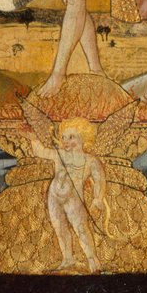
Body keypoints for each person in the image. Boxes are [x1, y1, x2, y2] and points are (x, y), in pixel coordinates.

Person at [22, 115, 108, 273]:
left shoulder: (90, 160)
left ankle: (92, 260)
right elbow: (40, 152)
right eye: (63, 137)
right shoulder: (59, 154)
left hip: (74, 198)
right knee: (60, 228)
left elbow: (99, 179)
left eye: (71, 137)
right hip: (54, 196)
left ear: (83, 138)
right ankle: (68, 259)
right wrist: (33, 138)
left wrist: (98, 198)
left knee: (81, 228)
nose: (66, 141)